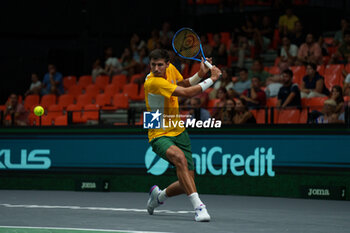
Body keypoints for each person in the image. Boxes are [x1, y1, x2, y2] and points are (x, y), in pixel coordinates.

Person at [144, 49, 221, 222]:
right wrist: (212, 79)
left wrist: (200, 74)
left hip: (178, 129)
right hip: (158, 131)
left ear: (168, 64)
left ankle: (159, 197)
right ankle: (199, 207)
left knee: (187, 181)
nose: (156, 68)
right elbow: (187, 93)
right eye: (153, 65)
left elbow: (184, 84)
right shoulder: (152, 82)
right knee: (179, 158)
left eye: (160, 65)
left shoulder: (170, 71)